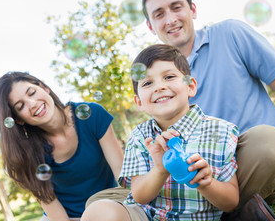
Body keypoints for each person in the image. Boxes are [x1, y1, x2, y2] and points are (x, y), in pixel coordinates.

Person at [141, 0, 275, 207]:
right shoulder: (156, 82)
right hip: (209, 176)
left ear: (193, 9)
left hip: (261, 156)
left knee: (270, 143)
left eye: (176, 7)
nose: (170, 20)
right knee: (111, 198)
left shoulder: (231, 33)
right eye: (159, 14)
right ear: (151, 26)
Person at [81, 44, 239, 221]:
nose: (159, 87)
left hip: (199, 218)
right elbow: (139, 196)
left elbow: (231, 201)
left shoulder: (221, 130)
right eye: (148, 83)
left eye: (169, 77)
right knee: (99, 211)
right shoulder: (140, 137)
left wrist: (205, 183)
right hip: (148, 217)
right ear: (139, 102)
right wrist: (159, 170)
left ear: (191, 86)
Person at [0, 71, 124, 221]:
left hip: (108, 206)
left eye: (32, 93)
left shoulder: (93, 115)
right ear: (18, 120)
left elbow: (122, 176)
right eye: (21, 106)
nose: (32, 104)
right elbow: (53, 208)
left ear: (44, 87)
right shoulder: (28, 153)